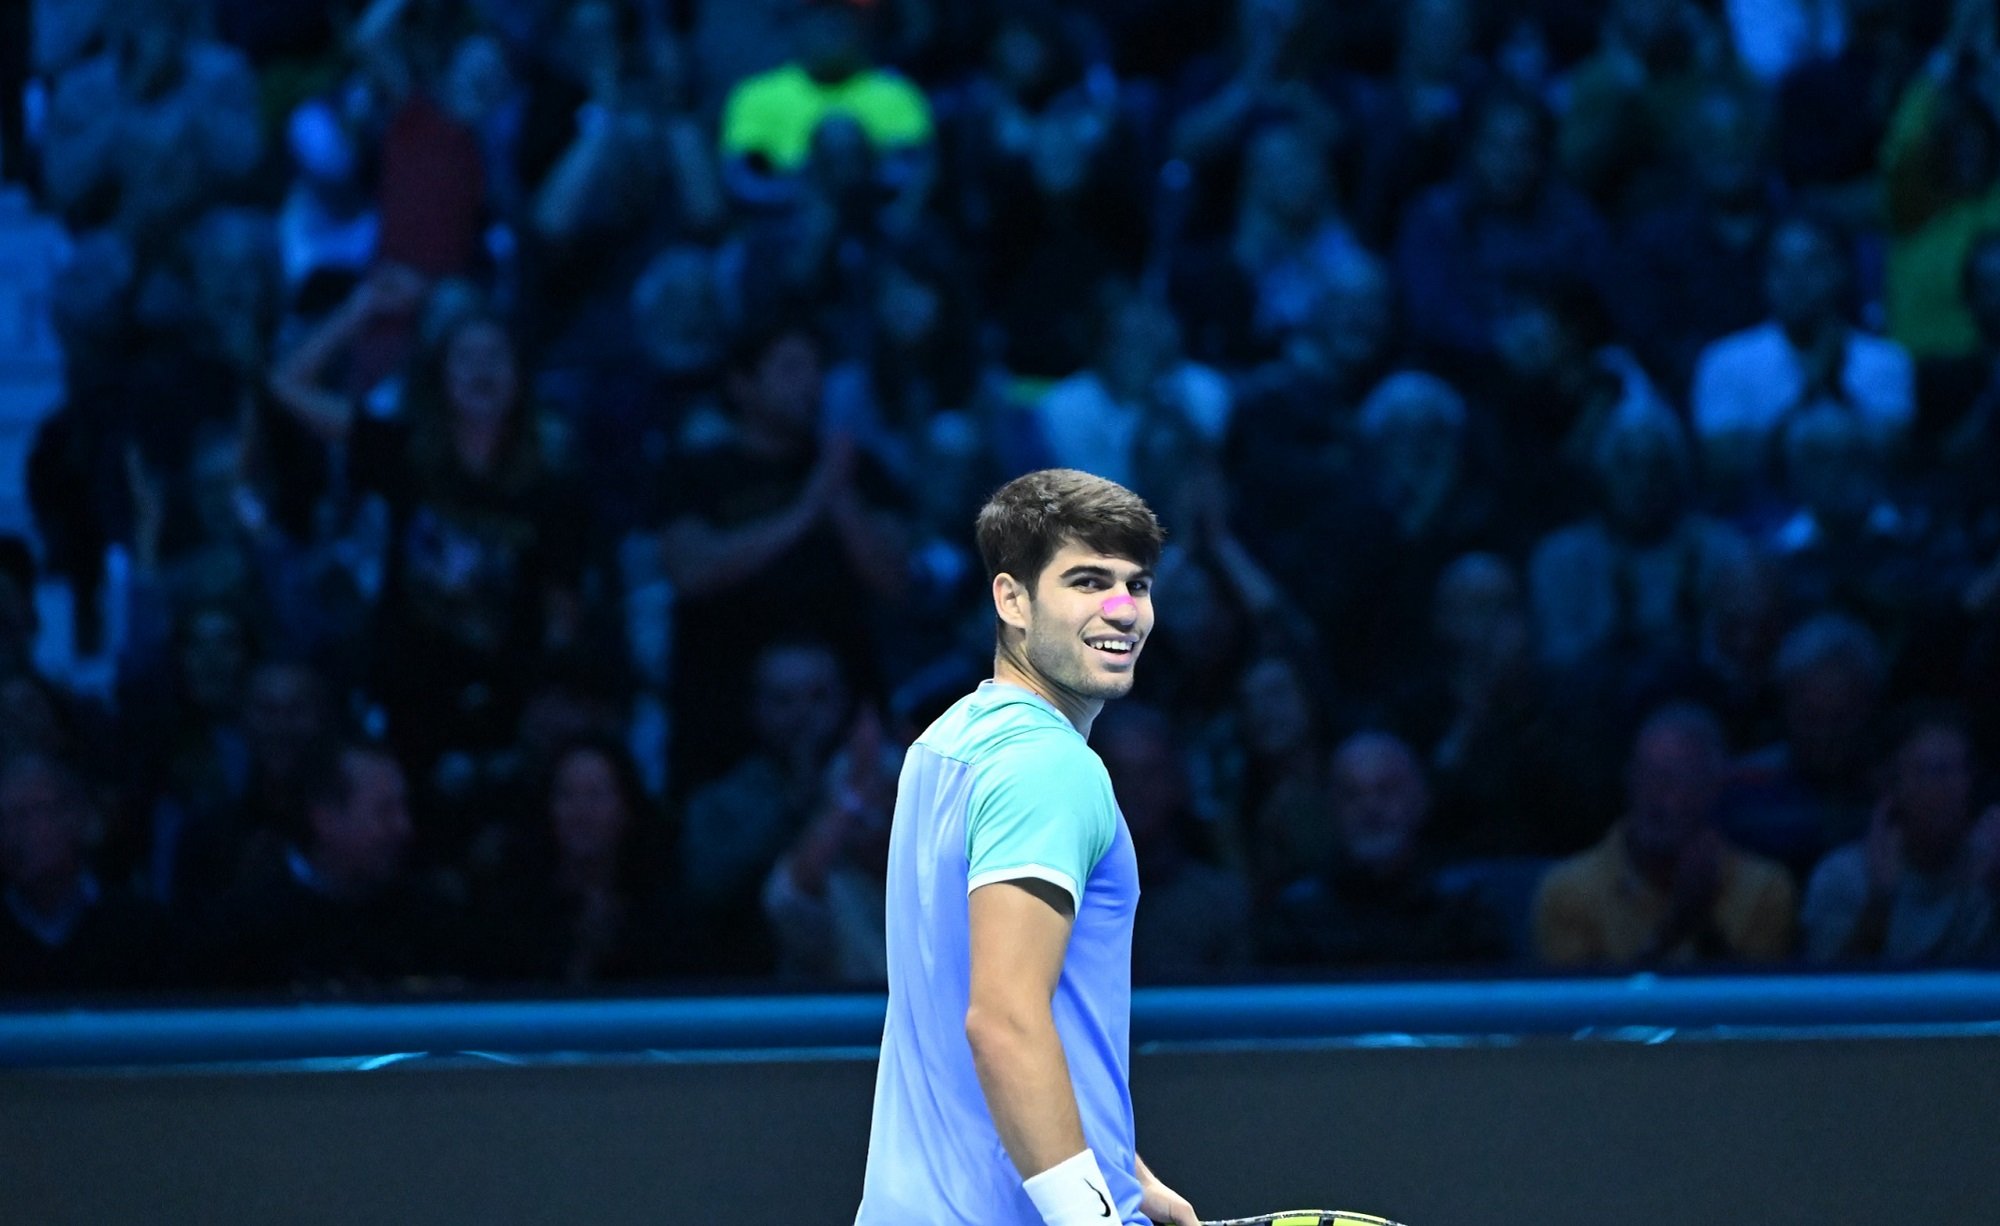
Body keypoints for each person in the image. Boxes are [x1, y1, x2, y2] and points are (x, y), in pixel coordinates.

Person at [856, 468, 1196, 1225]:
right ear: (1011, 599)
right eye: (1086, 581)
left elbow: (996, 1016)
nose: (1122, 610)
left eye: (1136, 586)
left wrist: (1125, 1174)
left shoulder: (944, 743)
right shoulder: (1051, 768)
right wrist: (1095, 1219)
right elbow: (1004, 1021)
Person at [1534, 702, 1796, 966]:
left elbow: (1753, 1002)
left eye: (1674, 780)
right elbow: (1584, 1005)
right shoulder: (1567, 890)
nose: (1655, 796)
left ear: (1713, 788)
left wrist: (1702, 924)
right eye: (1646, 776)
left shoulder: (1765, 890)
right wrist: (1675, 926)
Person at [1800, 706, 2000, 963]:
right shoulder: (1841, 876)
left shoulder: (1992, 867)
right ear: (1891, 787)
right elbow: (1826, 992)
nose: (1943, 788)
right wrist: (1880, 902)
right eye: (1928, 771)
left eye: (1955, 770)